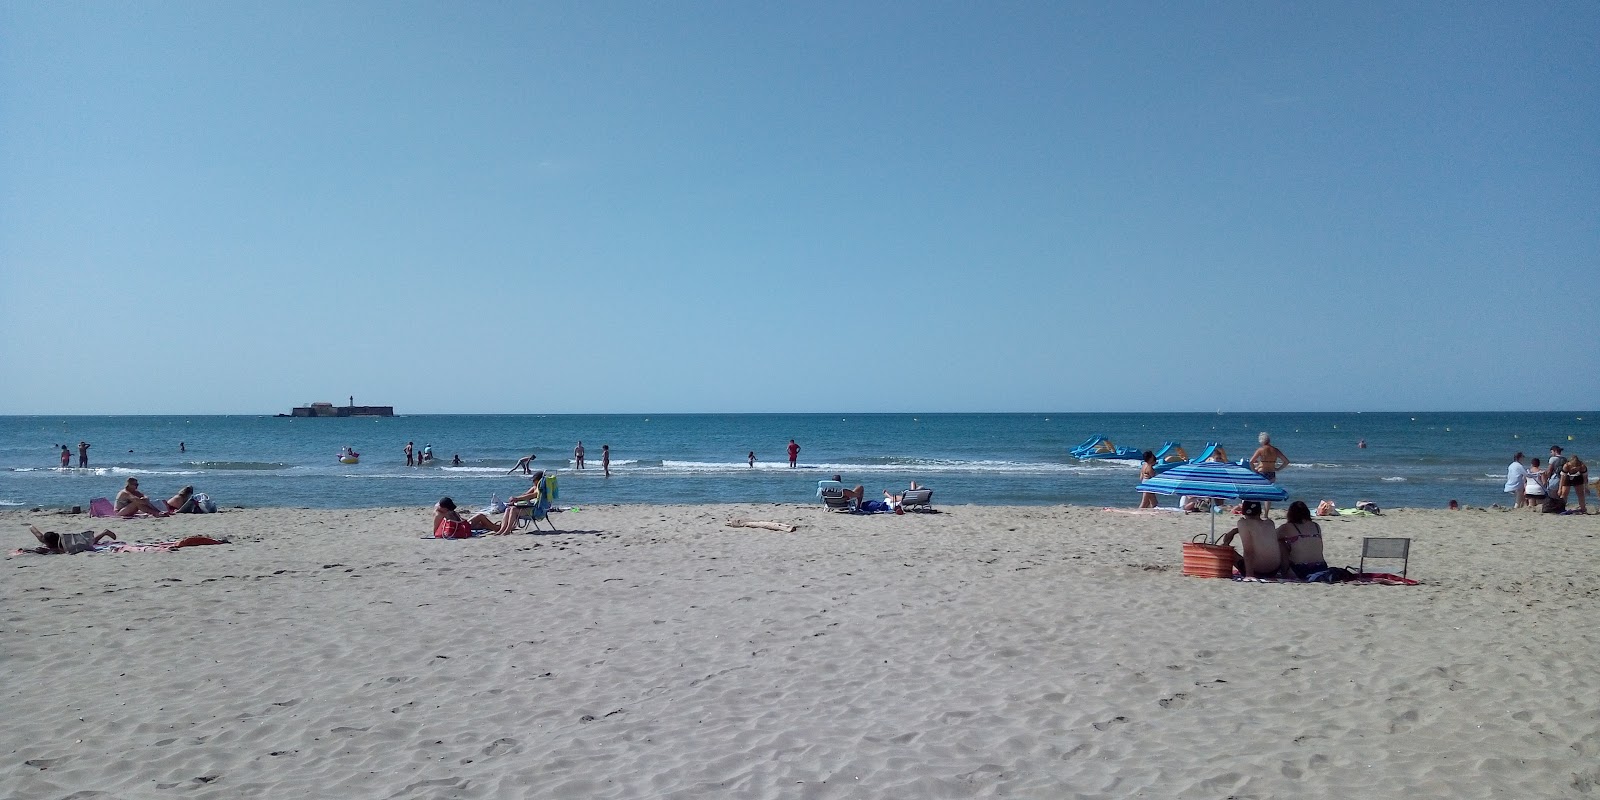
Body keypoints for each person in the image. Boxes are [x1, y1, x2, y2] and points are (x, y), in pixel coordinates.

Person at [1220, 500, 1287, 578]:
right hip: (1274, 570)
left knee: (1226, 550)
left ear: (1244, 512)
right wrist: (1236, 530)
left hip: (1256, 571)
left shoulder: (1243, 523)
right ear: (1259, 511)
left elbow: (1248, 551)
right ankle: (1285, 572)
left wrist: (1249, 575)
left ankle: (1249, 573)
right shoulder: (1269, 523)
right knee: (1281, 543)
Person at [1276, 501, 1326, 580]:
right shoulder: (1316, 526)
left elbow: (1271, 537)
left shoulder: (1288, 527)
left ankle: (1284, 571)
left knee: (1280, 543)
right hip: (1321, 567)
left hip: (1300, 569)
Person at [1250, 432, 1290, 516]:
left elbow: (1251, 461)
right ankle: (1266, 514)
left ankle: (1256, 511)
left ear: (1261, 441)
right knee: (1268, 496)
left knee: (1257, 493)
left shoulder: (1261, 450)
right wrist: (1278, 469)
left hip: (1262, 473)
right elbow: (1286, 461)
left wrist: (1254, 470)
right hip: (1271, 473)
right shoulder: (1275, 450)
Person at [23, 525, 118, 554]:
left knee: (90, 543)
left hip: (77, 543)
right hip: (73, 538)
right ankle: (104, 532)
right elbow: (38, 534)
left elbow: (62, 551)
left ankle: (105, 532)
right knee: (91, 541)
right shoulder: (47, 540)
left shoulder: (62, 546)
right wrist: (30, 527)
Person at [432, 497, 497, 538]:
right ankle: (496, 528)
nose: (449, 511)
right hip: (458, 528)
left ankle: (493, 526)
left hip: (461, 524)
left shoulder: (442, 506)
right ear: (443, 508)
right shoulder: (439, 515)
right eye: (448, 510)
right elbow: (436, 532)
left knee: (481, 523)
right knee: (480, 516)